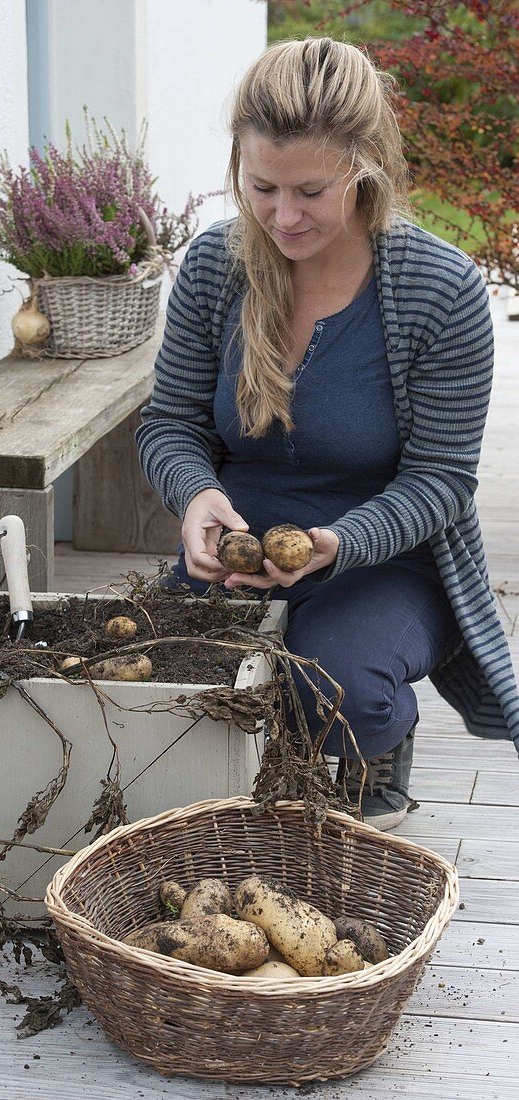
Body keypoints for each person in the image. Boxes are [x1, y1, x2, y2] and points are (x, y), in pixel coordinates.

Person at [136, 37, 519, 831]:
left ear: (365, 164)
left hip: (385, 558)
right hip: (240, 551)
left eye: (310, 190)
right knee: (162, 687)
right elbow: (169, 423)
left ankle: (382, 744)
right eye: (261, 186)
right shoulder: (216, 266)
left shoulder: (440, 290)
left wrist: (336, 544)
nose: (282, 215)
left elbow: (442, 483)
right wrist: (198, 494)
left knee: (335, 682)